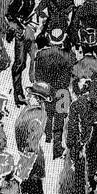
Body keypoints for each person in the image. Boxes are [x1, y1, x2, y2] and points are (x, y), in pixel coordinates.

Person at [6, 0, 44, 106]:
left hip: (35, 32)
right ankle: (18, 93)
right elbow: (10, 16)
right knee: (20, 64)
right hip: (24, 33)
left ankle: (36, 90)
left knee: (36, 59)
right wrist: (20, 29)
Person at [15, 81, 50, 194]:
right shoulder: (32, 110)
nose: (28, 96)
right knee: (34, 193)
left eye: (31, 95)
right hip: (29, 155)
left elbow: (32, 142)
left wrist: (24, 165)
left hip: (31, 158)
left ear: (39, 98)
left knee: (28, 192)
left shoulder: (36, 115)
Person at [34, 26, 75, 159]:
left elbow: (37, 76)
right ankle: (57, 146)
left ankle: (47, 137)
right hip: (62, 92)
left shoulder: (40, 54)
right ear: (62, 41)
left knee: (47, 113)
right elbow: (70, 77)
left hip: (45, 90)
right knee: (60, 118)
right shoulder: (69, 56)